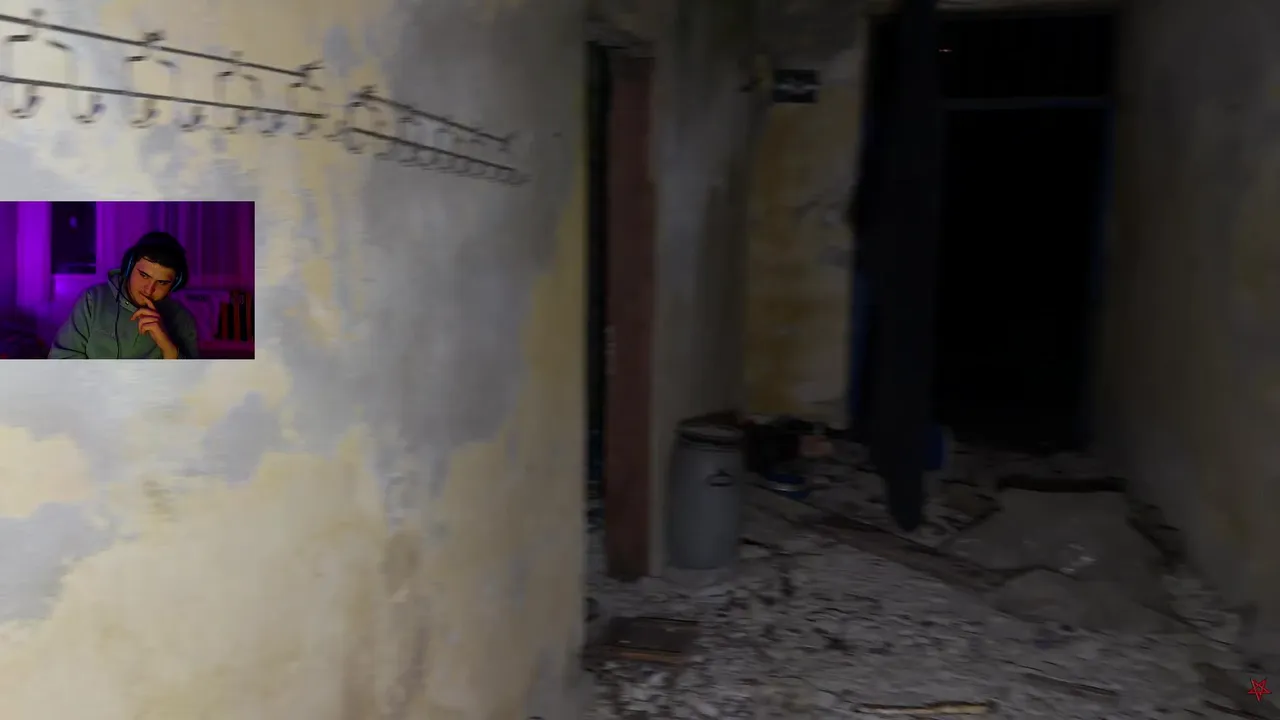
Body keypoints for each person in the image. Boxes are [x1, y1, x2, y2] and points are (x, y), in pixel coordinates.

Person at [48, 231, 200, 359]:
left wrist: (168, 347)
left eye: (162, 283)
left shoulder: (183, 320)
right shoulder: (93, 300)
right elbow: (62, 359)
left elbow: (190, 381)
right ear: (129, 267)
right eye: (144, 275)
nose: (149, 290)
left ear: (175, 284)